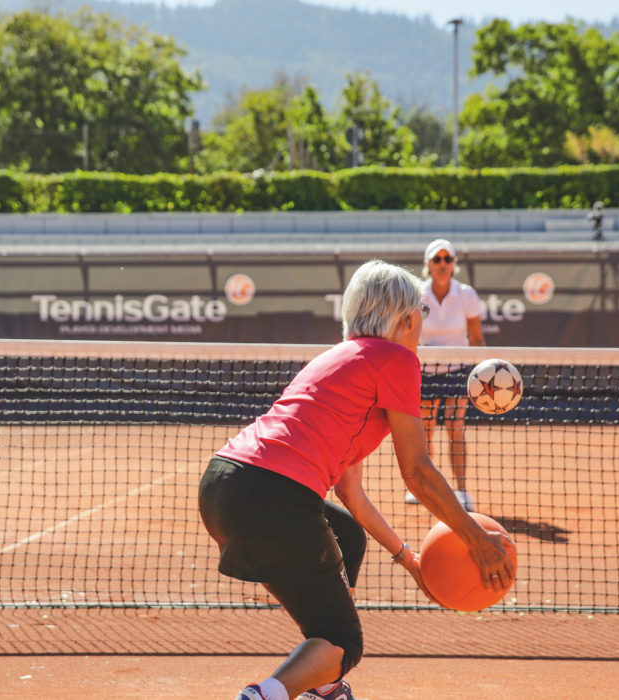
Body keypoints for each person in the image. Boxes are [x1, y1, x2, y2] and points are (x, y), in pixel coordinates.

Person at [198, 260, 515, 700]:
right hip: (274, 495)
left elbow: (351, 494)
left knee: (346, 532)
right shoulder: (397, 359)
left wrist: (412, 563)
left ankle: (325, 683)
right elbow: (418, 471)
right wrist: (476, 539)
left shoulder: (342, 358)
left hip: (224, 486)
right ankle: (265, 695)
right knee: (345, 642)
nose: (421, 323)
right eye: (420, 313)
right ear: (405, 318)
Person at [405, 238, 485, 512]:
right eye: (437, 259)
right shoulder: (417, 294)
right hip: (425, 370)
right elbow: (408, 334)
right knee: (425, 431)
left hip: (457, 371)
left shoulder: (466, 295)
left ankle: (461, 491)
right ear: (428, 264)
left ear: (454, 264)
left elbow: (476, 337)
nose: (442, 264)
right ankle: (421, 487)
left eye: (447, 259)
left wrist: (480, 373)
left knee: (455, 428)